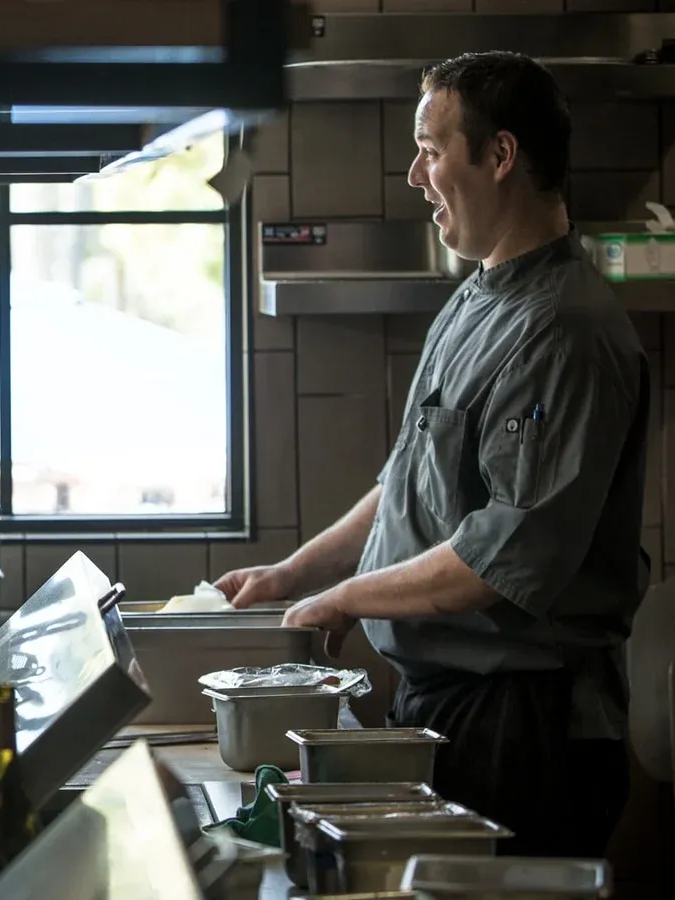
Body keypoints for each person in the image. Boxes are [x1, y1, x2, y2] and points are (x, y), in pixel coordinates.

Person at [219, 51, 648, 860]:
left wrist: (349, 598)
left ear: (500, 156)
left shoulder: (565, 330)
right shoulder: (479, 294)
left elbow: (496, 561)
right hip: (448, 706)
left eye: (431, 148)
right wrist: (295, 576)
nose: (415, 174)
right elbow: (407, 482)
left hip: (527, 729)